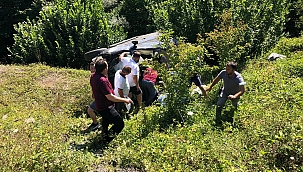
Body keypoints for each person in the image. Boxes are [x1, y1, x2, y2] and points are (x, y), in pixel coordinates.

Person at [90, 59, 133, 143]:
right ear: (105, 69)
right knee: (119, 123)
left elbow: (93, 89)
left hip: (99, 105)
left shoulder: (93, 76)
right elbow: (110, 97)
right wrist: (125, 100)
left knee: (105, 120)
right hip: (106, 106)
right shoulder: (103, 80)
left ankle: (104, 134)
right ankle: (108, 139)